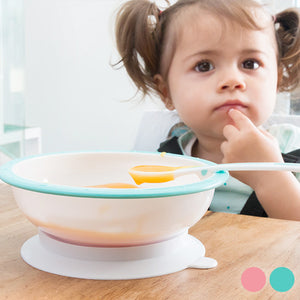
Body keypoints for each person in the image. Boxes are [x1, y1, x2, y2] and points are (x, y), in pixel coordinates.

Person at [114, 0, 300, 221]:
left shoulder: (293, 145)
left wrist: (270, 178)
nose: (232, 80)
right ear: (166, 92)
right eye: (204, 66)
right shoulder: (167, 161)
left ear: (277, 80)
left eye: (250, 63)